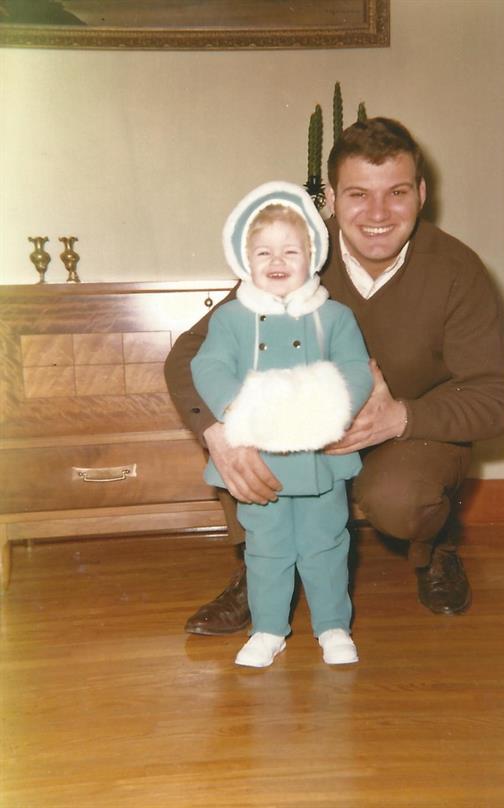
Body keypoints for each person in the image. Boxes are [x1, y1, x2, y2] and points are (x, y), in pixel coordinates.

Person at [164, 117, 504, 635]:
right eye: (357, 194)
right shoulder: (296, 252)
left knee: (401, 500)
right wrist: (219, 433)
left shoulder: (458, 269)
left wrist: (401, 418)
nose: (377, 214)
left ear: (421, 192)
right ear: (329, 196)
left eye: (396, 192)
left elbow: (497, 398)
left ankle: (434, 548)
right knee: (242, 432)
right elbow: (190, 355)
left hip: (408, 434)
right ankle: (255, 568)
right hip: (304, 433)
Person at [190, 182, 373, 666]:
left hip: (318, 459)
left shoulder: (334, 316)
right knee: (266, 548)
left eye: (291, 250)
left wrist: (334, 407)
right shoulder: (231, 319)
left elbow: (356, 369)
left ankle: (333, 625)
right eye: (264, 251)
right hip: (261, 457)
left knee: (327, 543)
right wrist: (238, 407)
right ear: (243, 258)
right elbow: (207, 367)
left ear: (312, 255)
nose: (278, 260)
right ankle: (269, 628)